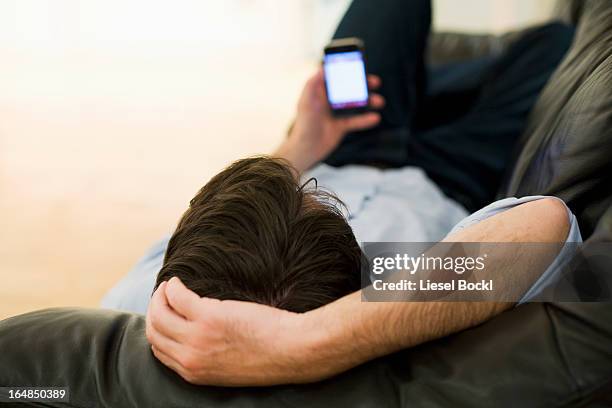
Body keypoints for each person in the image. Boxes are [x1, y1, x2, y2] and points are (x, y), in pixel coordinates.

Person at [102, 0, 578, 386]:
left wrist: (301, 145)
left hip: (343, 143)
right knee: (552, 41)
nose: (305, 187)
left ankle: (422, 95)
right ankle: (429, 96)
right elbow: (548, 226)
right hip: (448, 172)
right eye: (314, 199)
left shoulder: (147, 298)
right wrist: (305, 341)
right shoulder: (388, 276)